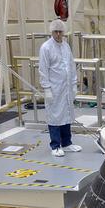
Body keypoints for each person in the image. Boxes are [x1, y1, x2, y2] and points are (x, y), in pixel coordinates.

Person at [38, 20, 78, 157]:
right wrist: (47, 88)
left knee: (66, 114)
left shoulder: (66, 46)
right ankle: (55, 145)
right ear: (52, 32)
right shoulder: (46, 48)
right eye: (56, 32)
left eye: (61, 32)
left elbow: (71, 66)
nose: (59, 34)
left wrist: (74, 84)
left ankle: (66, 143)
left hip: (66, 88)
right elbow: (43, 69)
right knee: (54, 116)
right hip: (54, 88)